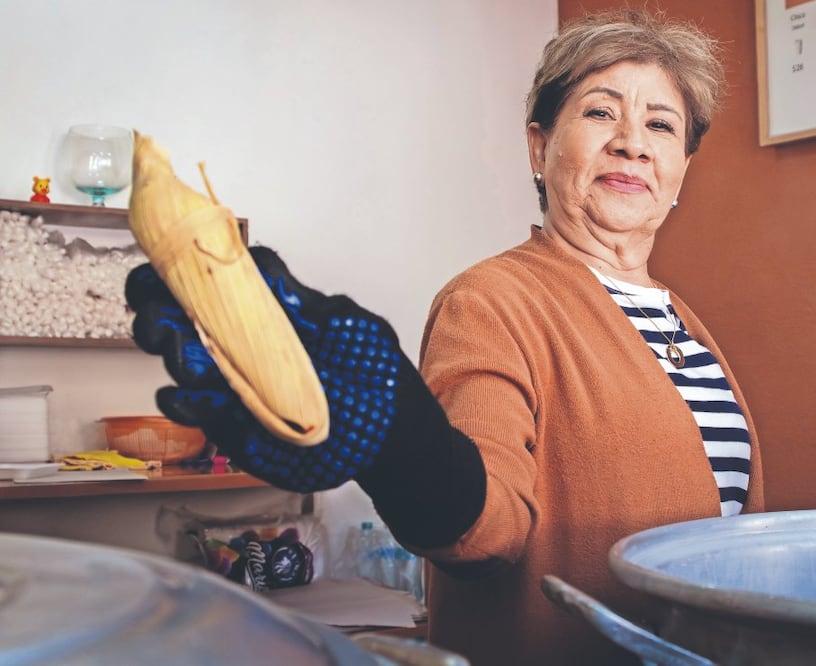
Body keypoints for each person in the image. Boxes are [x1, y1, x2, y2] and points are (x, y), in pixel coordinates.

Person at [125, 8, 764, 665]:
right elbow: (488, 532)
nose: (633, 143)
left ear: (682, 166)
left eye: (660, 125)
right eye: (602, 112)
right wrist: (399, 440)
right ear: (540, 148)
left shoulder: (681, 318)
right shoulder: (491, 300)